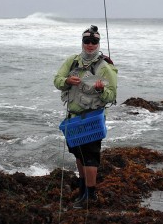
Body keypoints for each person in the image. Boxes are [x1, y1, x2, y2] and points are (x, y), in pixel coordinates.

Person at [54, 25, 117, 208]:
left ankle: (91, 195)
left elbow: (112, 96)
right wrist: (66, 81)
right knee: (79, 155)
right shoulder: (72, 61)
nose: (90, 45)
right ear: (82, 42)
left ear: (98, 43)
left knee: (90, 156)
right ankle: (82, 191)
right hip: (73, 117)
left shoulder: (105, 66)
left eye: (94, 42)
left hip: (92, 118)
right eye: (87, 41)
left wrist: (101, 89)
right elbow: (57, 80)